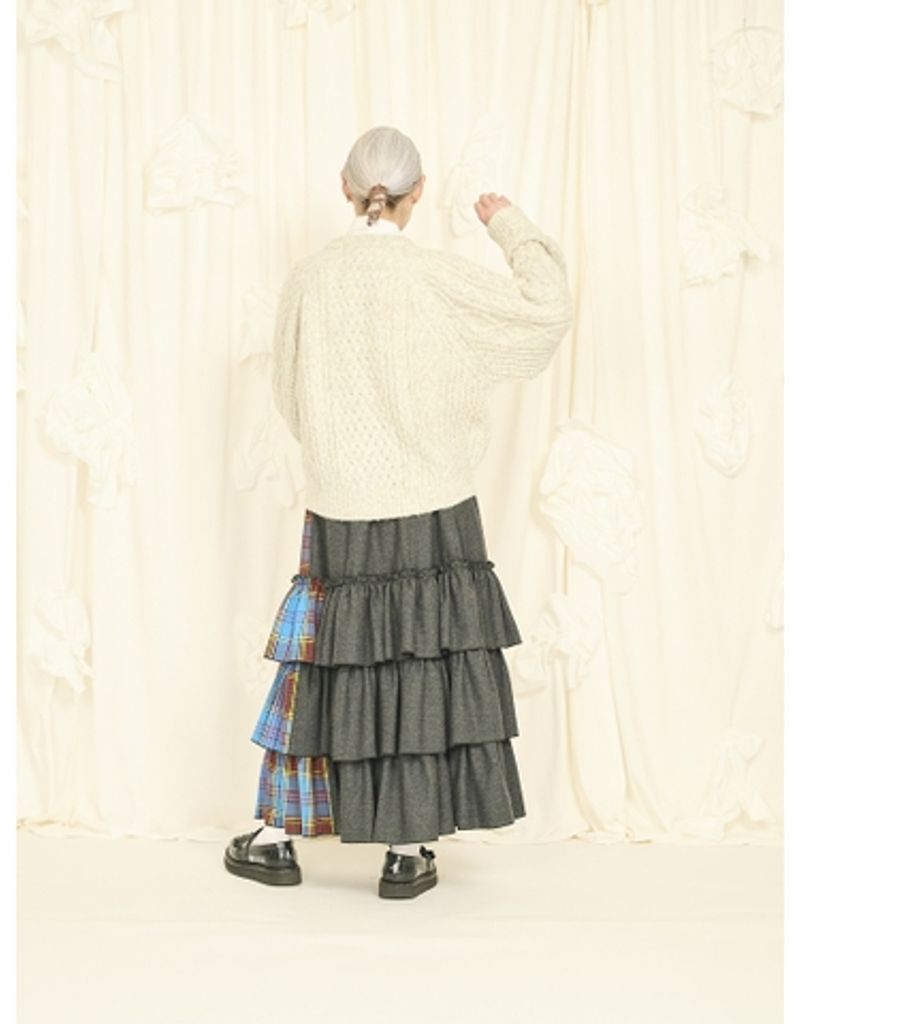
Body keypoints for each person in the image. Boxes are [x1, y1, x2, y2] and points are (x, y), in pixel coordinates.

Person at [223, 125, 574, 899]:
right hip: (435, 503)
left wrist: (342, 454)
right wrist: (507, 223)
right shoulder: (437, 278)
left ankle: (278, 839)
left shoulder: (310, 280)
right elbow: (548, 310)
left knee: (329, 665)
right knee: (421, 667)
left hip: (341, 506)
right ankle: (407, 852)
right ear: (417, 195)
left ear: (344, 190)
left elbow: (289, 394)